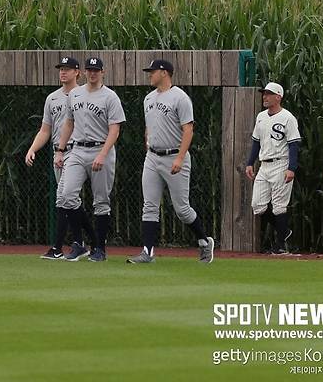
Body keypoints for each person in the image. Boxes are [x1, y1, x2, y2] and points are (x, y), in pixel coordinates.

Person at [126, 59, 215, 264]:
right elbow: (149, 126)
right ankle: (147, 252)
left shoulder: (180, 97)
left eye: (153, 71)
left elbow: (188, 129)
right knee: (149, 205)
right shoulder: (148, 98)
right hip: (153, 157)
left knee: (182, 210)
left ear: (164, 73)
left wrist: (180, 157)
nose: (150, 74)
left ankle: (204, 241)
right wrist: (148, 142)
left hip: (175, 156)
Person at [54, 57, 125, 262]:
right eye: (90, 70)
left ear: (102, 72)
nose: (93, 73)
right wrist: (60, 150)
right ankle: (82, 244)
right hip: (77, 149)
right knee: (67, 195)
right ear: (84, 72)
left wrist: (103, 154)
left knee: (101, 202)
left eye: (96, 70)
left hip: (100, 149)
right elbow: (68, 123)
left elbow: (115, 129)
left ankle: (100, 249)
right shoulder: (75, 94)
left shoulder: (110, 97)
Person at [25, 56, 94, 260]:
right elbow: (45, 130)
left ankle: (59, 247)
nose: (63, 72)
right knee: (69, 200)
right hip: (58, 152)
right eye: (61, 69)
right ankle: (90, 240)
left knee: (64, 198)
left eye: (68, 68)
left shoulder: (84, 95)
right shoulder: (52, 98)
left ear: (77, 73)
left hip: (76, 151)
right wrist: (33, 148)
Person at [245, 82, 301, 254]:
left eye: (269, 94)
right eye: (264, 94)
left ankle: (280, 246)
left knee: (279, 206)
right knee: (258, 206)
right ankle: (284, 231)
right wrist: (249, 162)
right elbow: (256, 142)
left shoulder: (287, 118)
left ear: (278, 97)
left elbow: (294, 144)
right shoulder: (261, 116)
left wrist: (291, 168)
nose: (265, 97)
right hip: (264, 164)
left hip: (280, 163)